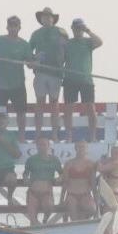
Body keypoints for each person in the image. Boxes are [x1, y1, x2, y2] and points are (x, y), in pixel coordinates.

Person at [27, 7, 68, 140]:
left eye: (49, 16)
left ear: (53, 19)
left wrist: (64, 65)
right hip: (40, 72)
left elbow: (67, 51)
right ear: (41, 19)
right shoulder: (36, 34)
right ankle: (38, 134)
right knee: (40, 102)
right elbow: (28, 53)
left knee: (54, 103)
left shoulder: (61, 32)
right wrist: (34, 59)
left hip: (56, 73)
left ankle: (54, 134)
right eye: (44, 16)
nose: (46, 18)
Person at [61, 18, 104, 143]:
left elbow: (100, 42)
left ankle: (92, 136)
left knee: (90, 108)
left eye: (80, 28)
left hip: (86, 80)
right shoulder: (67, 43)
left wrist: (88, 31)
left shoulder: (88, 42)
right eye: (76, 28)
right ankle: (69, 136)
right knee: (68, 109)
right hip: (70, 79)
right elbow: (60, 59)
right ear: (72, 29)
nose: (78, 30)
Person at [21, 138, 62, 226]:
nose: (42, 147)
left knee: (49, 208)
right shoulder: (31, 160)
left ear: (48, 146)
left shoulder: (55, 160)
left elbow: (62, 173)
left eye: (44, 144)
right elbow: (25, 173)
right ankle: (35, 232)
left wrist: (59, 178)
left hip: (47, 192)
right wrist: (25, 178)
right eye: (40, 145)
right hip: (33, 192)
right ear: (36, 146)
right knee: (33, 219)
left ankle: (45, 221)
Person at [59, 139, 98, 221]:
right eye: (79, 147)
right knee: (74, 218)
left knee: (92, 209)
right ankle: (77, 226)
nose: (81, 149)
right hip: (71, 195)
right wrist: (61, 200)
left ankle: (82, 221)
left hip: (85, 194)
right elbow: (65, 183)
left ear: (86, 149)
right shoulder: (68, 163)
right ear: (75, 148)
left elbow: (93, 184)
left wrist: (96, 200)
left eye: (83, 147)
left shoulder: (91, 164)